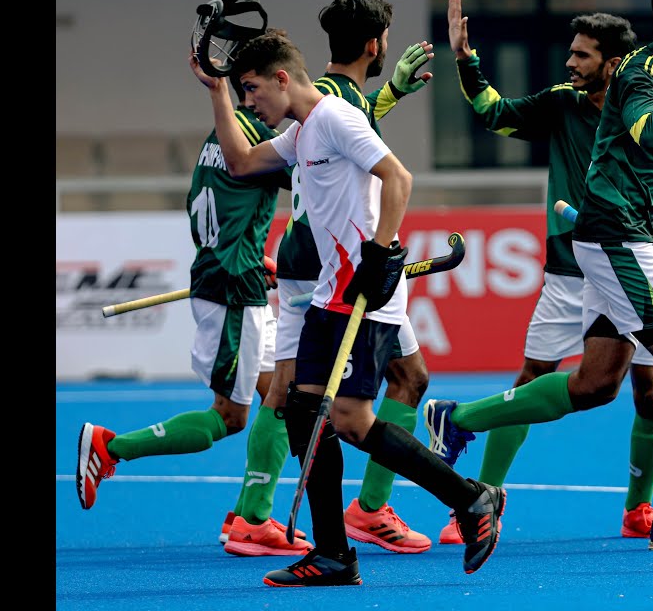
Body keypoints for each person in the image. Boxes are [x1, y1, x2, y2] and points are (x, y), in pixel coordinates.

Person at [423, 0, 653, 550]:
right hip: (614, 239)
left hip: (622, 241)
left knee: (600, 383)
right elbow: (649, 131)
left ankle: (458, 418)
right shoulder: (640, 75)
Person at [188, 29, 505, 586]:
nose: (248, 102)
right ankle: (334, 554)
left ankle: (469, 498)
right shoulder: (302, 132)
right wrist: (216, 91)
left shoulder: (335, 118)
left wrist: (380, 254)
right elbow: (239, 163)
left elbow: (397, 177)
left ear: (281, 78)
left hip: (363, 294)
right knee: (304, 412)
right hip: (328, 296)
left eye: (251, 88)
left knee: (351, 420)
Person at [220, 0, 440, 557]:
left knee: (308, 393)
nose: (251, 100)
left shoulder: (328, 102)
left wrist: (392, 94)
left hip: (322, 266)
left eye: (251, 90)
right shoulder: (329, 106)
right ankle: (372, 513)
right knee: (341, 400)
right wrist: (379, 253)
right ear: (376, 44)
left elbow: (351, 138)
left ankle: (274, 519)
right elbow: (378, 159)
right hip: (336, 272)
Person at [73, 43, 310, 552]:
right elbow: (316, 180)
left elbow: (216, 206)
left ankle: (250, 516)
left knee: (282, 393)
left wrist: (254, 256)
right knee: (230, 415)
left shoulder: (219, 136)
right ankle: (111, 448)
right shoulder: (258, 138)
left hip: (231, 276)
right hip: (232, 288)